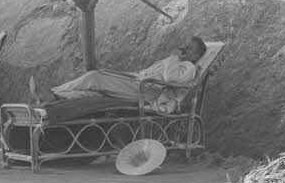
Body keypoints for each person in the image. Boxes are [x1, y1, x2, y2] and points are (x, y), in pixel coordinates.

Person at [30, 36, 207, 120]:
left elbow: (170, 78)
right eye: (185, 45)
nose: (183, 48)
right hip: (138, 83)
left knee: (95, 77)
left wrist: (174, 57)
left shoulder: (189, 67)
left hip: (146, 91)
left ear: (195, 56)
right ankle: (55, 97)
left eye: (189, 48)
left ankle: (54, 91)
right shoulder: (178, 61)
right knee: (92, 94)